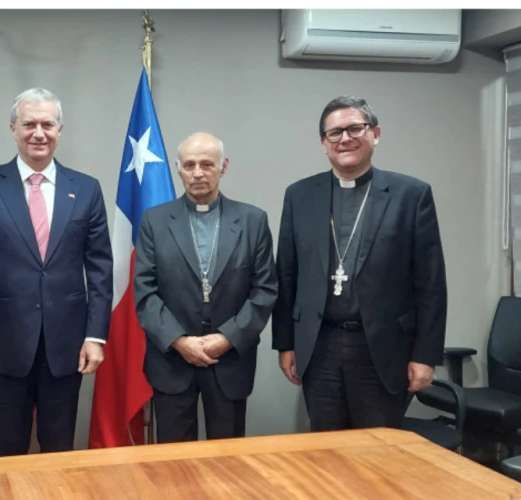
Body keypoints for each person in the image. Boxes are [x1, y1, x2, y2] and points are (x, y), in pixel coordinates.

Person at [272, 96, 447, 431]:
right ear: (323, 143)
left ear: (375, 134)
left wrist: (425, 355)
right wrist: (285, 343)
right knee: (326, 447)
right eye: (334, 133)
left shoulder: (411, 195)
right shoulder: (299, 195)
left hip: (382, 348)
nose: (345, 139)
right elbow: (287, 274)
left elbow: (431, 283)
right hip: (319, 346)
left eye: (355, 128)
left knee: (377, 449)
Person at [0, 87, 113, 456]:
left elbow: (100, 268)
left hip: (66, 347)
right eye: (29, 124)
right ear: (13, 129)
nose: (38, 133)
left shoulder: (86, 189)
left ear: (60, 130)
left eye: (47, 124)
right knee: (7, 452)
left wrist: (95, 336)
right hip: (3, 348)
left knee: (59, 451)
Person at [134, 131, 278, 443]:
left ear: (223, 166)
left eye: (207, 164)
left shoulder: (252, 221)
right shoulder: (154, 221)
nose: (197, 173)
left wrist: (227, 338)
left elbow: (264, 290)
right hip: (172, 360)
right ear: (178, 169)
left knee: (226, 460)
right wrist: (179, 341)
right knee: (174, 461)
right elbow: (145, 292)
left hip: (229, 360)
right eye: (189, 165)